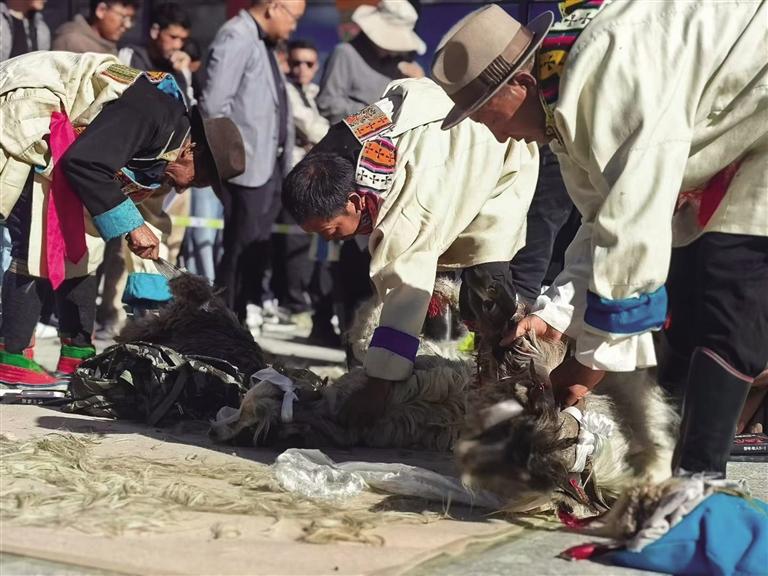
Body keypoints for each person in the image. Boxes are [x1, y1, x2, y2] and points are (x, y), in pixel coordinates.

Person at [432, 2, 768, 477]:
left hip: (757, 97)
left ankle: (693, 485)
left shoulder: (608, 74)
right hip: (741, 116)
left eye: (489, 119)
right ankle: (685, 476)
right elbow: (600, 222)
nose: (501, 136)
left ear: (520, 84)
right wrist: (555, 317)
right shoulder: (563, 100)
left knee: (724, 289)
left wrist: (585, 369)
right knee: (697, 297)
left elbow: (633, 225)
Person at [282, 77, 539, 423]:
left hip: (496, 149)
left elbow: (408, 285)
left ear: (355, 200)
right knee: (371, 271)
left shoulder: (408, 205)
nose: (327, 240)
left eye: (329, 231)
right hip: (442, 134)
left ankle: (505, 384)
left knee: (485, 286)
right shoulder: (334, 151)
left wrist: (378, 387)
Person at [0, 51, 245, 388]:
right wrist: (134, 226)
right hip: (27, 108)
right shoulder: (152, 113)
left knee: (87, 242)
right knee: (37, 238)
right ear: (193, 151)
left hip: (66, 141)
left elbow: (142, 213)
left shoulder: (166, 152)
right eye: (196, 180)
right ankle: (11, 354)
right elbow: (84, 164)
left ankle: (77, 350)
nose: (183, 188)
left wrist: (149, 277)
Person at [201, 0, 303, 323]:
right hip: (244, 168)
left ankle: (239, 320)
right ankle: (221, 324)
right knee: (237, 251)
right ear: (274, 7)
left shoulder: (262, 41)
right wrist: (229, 160)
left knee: (253, 252)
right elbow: (214, 105)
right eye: (294, 18)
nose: (294, 27)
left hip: (268, 166)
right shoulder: (237, 35)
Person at [1, 0, 50, 327]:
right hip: (5, 124)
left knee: (13, 235)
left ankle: (9, 317)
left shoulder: (40, 27)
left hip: (29, 135)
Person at [118, 2, 194, 106]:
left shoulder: (179, 66)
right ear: (155, 31)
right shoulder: (131, 57)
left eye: (183, 40)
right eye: (173, 37)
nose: (178, 45)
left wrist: (182, 75)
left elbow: (188, 107)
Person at [53, 0, 137, 54]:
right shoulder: (72, 41)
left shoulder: (107, 42)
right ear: (101, 10)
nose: (128, 25)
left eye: (132, 19)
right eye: (123, 17)